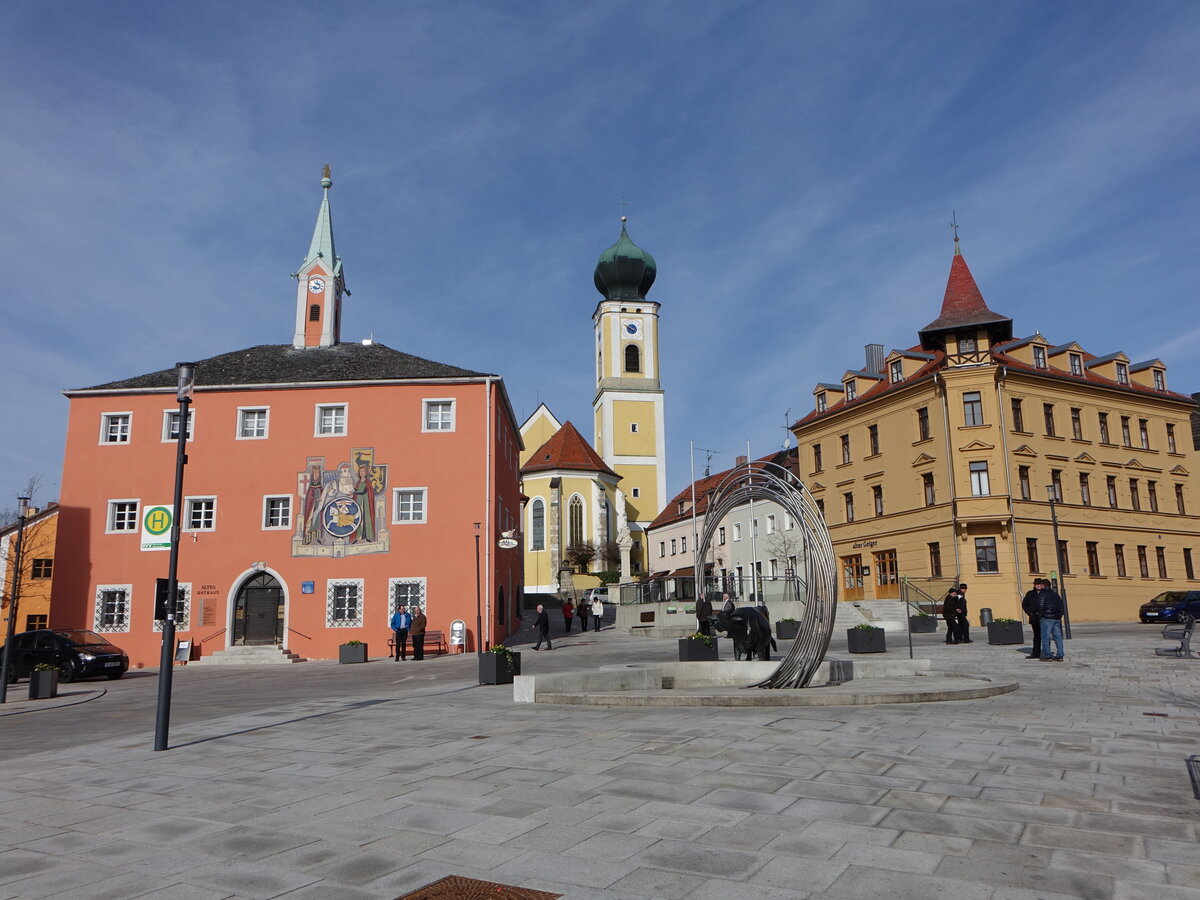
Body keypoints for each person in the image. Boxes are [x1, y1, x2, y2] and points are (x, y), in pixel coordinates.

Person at [1038, 580, 1065, 661]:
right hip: (1056, 618)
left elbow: (1040, 606)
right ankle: (1060, 655)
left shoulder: (1042, 594)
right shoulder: (1056, 594)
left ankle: (1047, 655)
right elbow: (1061, 607)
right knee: (1058, 637)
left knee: (1045, 637)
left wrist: (1040, 616)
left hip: (1046, 618)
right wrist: (1059, 615)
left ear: (1043, 585)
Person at [1021, 579, 1043, 660]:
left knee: (1045, 636)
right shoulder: (1030, 593)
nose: (1038, 586)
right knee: (1037, 636)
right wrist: (1030, 613)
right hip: (1034, 618)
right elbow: (1024, 604)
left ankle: (1046, 652)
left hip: (1044, 618)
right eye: (1036, 584)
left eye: (1039, 584)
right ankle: (1036, 653)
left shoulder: (1045, 593)